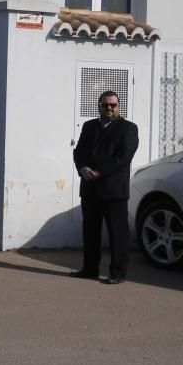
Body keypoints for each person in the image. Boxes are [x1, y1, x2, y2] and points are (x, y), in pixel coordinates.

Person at [70, 90, 139, 285]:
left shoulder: (129, 128)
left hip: (114, 191)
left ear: (119, 106)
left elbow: (123, 157)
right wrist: (82, 167)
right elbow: (79, 151)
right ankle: (89, 269)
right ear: (99, 106)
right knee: (90, 232)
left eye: (113, 105)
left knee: (118, 234)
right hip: (90, 189)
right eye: (105, 104)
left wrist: (99, 171)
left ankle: (118, 273)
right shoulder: (89, 126)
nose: (109, 108)